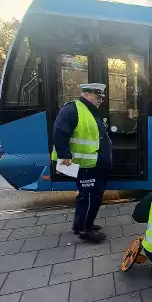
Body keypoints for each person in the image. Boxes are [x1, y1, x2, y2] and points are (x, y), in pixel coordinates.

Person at [51, 83, 112, 244]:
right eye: (98, 97)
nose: (100, 100)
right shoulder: (72, 109)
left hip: (92, 163)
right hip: (84, 164)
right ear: (87, 94)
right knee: (91, 196)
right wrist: (64, 155)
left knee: (87, 196)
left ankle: (81, 225)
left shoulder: (90, 111)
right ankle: (86, 229)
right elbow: (59, 131)